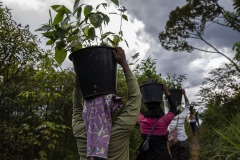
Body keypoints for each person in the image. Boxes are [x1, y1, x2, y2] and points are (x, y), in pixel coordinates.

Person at [72, 47, 141, 160]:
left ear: (87, 108)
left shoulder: (80, 131)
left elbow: (76, 107)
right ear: (111, 108)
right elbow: (136, 97)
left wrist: (80, 77)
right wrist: (124, 64)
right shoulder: (121, 129)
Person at [138, 85, 177, 160]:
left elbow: (135, 109)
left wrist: (141, 93)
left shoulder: (142, 120)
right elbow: (174, 108)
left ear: (147, 106)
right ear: (159, 106)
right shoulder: (164, 120)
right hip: (163, 157)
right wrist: (166, 91)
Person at [165, 89, 190, 160]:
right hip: (183, 140)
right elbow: (187, 105)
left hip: (173, 142)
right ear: (178, 111)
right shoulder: (182, 115)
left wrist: (166, 94)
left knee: (174, 158)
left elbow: (166, 104)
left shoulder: (167, 115)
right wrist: (184, 94)